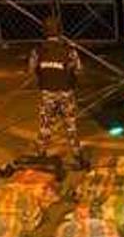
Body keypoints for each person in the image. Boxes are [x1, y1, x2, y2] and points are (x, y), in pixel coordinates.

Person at [29, 16, 86, 167]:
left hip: (47, 92)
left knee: (45, 125)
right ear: (60, 31)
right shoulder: (69, 50)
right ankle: (77, 157)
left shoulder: (37, 51)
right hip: (66, 92)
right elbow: (79, 70)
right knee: (70, 126)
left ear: (44, 31)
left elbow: (32, 70)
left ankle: (40, 154)